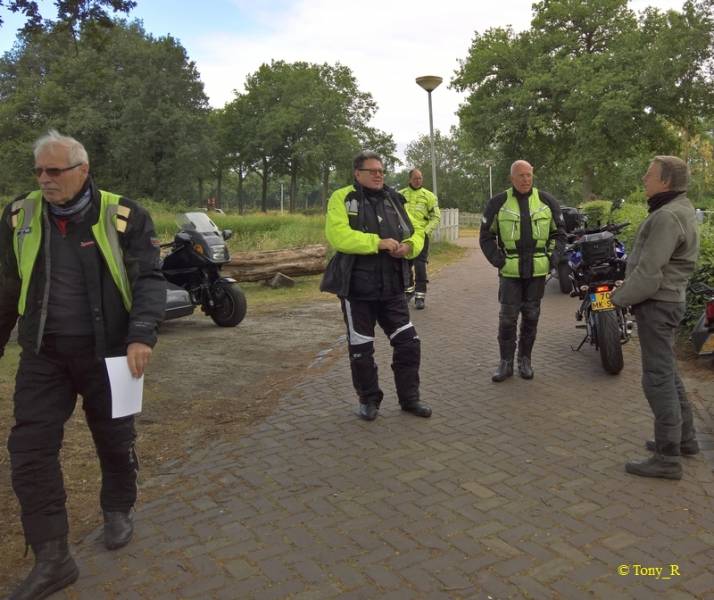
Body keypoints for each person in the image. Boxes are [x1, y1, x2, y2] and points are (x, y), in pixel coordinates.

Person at [0, 130, 165, 599]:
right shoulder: (19, 215)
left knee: (114, 438)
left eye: (54, 171)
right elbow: (7, 286)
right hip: (44, 354)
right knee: (29, 451)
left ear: (83, 170)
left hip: (109, 352)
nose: (44, 179)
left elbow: (149, 278)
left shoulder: (123, 215)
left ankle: (117, 508)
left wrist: (141, 334)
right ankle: (53, 558)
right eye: (38, 171)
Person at [320, 151, 431, 421]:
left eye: (381, 170)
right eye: (372, 171)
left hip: (392, 289)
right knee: (361, 350)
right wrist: (377, 243)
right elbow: (338, 235)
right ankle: (369, 400)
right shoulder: (343, 198)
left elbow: (416, 231)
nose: (378, 175)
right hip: (357, 290)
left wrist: (409, 246)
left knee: (409, 344)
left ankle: (410, 399)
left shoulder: (395, 198)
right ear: (357, 174)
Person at [611, 156, 700, 480]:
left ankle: (667, 457)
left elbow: (649, 274)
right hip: (669, 301)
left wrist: (618, 298)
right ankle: (685, 440)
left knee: (657, 379)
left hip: (657, 305)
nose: (643, 179)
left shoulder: (666, 216)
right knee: (668, 373)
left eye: (648, 175)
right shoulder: (681, 209)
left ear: (665, 181)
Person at [479, 160, 566, 382]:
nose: (526, 179)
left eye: (528, 175)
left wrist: (552, 259)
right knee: (507, 319)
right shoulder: (497, 203)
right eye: (521, 175)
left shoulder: (547, 201)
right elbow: (486, 236)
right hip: (510, 273)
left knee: (531, 317)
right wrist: (498, 261)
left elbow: (560, 234)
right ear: (512, 178)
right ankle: (505, 363)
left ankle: (525, 360)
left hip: (537, 273)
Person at [400, 168, 441, 309]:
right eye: (415, 178)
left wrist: (425, 232)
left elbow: (436, 217)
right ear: (409, 179)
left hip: (421, 236)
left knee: (420, 265)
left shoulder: (429, 196)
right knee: (404, 265)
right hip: (404, 236)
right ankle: (408, 291)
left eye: (420, 178)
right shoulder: (400, 195)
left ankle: (420, 296)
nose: (418, 181)